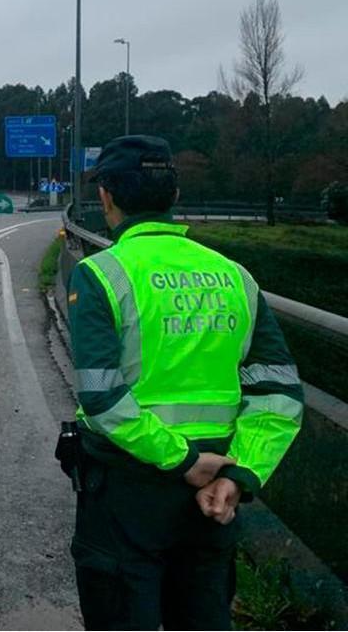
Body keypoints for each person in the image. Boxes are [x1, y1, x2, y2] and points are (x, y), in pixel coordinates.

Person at [66, 135, 304, 629]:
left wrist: (183, 460)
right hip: (214, 495)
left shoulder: (100, 275)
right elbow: (280, 394)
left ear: (106, 196)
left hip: (126, 493)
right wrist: (239, 476)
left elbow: (104, 399)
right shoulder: (236, 277)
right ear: (174, 198)